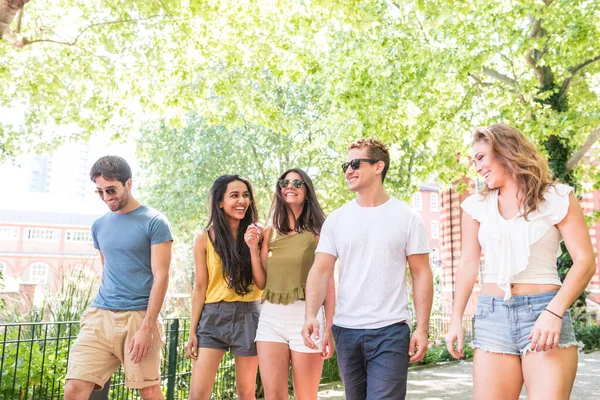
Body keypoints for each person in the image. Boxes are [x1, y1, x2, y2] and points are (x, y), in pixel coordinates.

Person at [445, 124, 596, 400]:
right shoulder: (475, 207)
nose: (476, 167)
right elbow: (468, 263)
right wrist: (455, 319)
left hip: (545, 312)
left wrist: (554, 312)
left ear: (505, 150)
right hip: (492, 317)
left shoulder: (558, 197)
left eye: (480, 157)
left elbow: (585, 261)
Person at [302, 138, 434, 400]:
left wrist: (422, 328)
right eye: (345, 165)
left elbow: (421, 273)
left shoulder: (407, 217)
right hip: (346, 329)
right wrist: (313, 317)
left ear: (378, 166)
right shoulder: (337, 219)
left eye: (354, 163)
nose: (348, 170)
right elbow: (320, 271)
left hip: (390, 329)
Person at [64, 156, 173, 400]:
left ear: (129, 184)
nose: (106, 197)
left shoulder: (155, 222)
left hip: (138, 317)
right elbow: (108, 270)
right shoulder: (99, 225)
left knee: (149, 391)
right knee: (74, 389)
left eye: (111, 190)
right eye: (100, 191)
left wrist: (147, 327)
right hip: (100, 317)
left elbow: (162, 276)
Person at [249, 168, 335, 400]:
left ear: (307, 192)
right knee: (273, 396)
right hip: (270, 319)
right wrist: (251, 249)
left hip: (305, 318)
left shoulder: (319, 233)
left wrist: (329, 328)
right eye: (285, 183)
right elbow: (262, 282)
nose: (290, 186)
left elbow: (328, 283)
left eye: (297, 184)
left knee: (306, 396)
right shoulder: (269, 233)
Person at [184, 175, 262, 400]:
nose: (242, 201)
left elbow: (262, 281)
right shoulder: (204, 237)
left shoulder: (258, 234)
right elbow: (200, 286)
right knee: (198, 394)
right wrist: (192, 331)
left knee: (246, 393)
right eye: (234, 195)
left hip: (250, 315)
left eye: (246, 195)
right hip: (213, 316)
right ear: (220, 201)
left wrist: (254, 247)